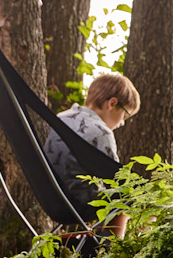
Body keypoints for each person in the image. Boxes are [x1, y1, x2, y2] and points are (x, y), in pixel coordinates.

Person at [43, 72, 140, 238]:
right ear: (112, 103)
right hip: (79, 202)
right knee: (126, 195)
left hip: (51, 198)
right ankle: (112, 251)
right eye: (124, 115)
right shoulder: (101, 132)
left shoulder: (61, 118)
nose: (122, 122)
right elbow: (116, 180)